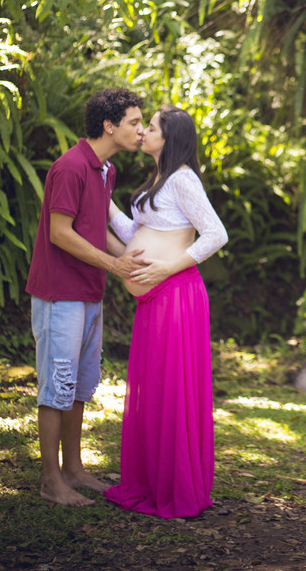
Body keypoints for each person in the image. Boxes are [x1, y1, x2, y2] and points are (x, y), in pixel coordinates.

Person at [25, 87, 149, 507]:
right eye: (134, 122)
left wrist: (128, 259)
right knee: (55, 387)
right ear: (109, 125)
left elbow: (96, 229)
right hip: (59, 294)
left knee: (78, 386)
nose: (141, 130)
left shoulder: (105, 170)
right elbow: (60, 233)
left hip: (88, 291)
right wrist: (114, 266)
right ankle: (50, 480)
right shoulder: (70, 167)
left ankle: (74, 470)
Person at [104, 105, 228, 518]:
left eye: (150, 127)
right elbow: (134, 233)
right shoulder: (157, 180)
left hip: (177, 297)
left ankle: (176, 486)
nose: (142, 133)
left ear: (168, 138)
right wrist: (99, 197)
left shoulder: (183, 179)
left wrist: (166, 267)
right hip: (154, 299)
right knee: (155, 391)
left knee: (172, 388)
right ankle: (153, 481)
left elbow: (216, 234)